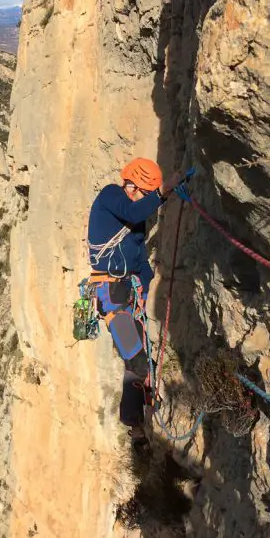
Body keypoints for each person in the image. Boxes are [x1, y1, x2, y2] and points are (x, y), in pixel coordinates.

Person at [86, 158, 169, 448]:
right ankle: (134, 427)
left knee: (137, 358)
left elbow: (140, 263)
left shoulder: (135, 222)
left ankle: (137, 424)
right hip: (111, 296)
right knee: (135, 358)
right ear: (131, 184)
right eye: (145, 193)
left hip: (128, 295)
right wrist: (162, 193)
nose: (146, 200)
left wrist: (144, 290)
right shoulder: (110, 196)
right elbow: (132, 210)